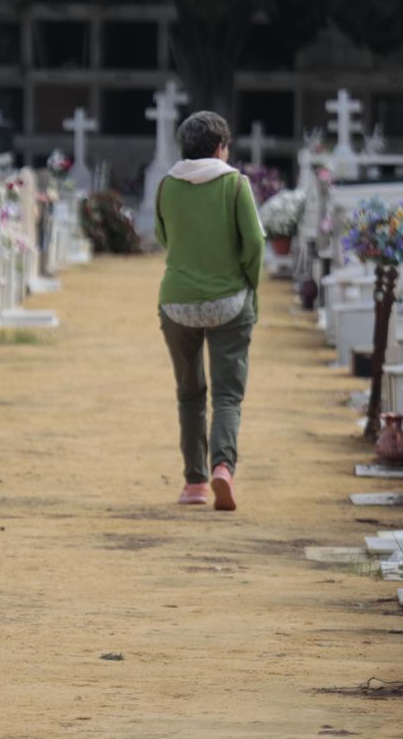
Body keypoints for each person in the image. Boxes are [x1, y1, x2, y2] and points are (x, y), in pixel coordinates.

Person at [154, 110, 264, 511]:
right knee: (227, 395)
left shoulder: (166, 185)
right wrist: (250, 286)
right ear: (220, 147)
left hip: (177, 302)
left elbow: (163, 235)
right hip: (229, 301)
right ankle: (222, 466)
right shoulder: (236, 185)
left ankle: (194, 484)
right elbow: (254, 244)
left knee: (189, 394)